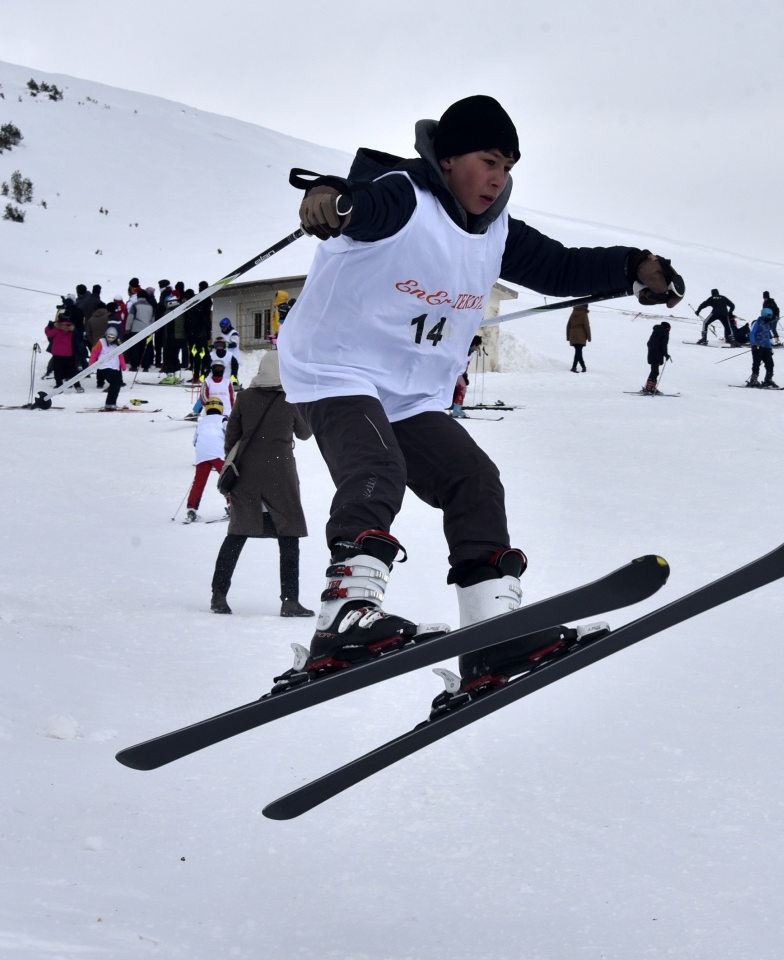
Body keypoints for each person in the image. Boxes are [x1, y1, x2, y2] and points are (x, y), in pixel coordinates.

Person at [274, 94, 684, 685]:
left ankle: (494, 632)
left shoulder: (494, 231)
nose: (498, 179)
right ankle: (343, 616)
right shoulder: (402, 197)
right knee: (376, 468)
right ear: (446, 158)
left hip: (412, 393)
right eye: (489, 161)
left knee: (474, 479)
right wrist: (329, 200)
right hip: (338, 371)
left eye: (509, 167)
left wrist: (634, 266)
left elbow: (561, 268)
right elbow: (360, 206)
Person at [209, 353, 315, 617]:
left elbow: (231, 438)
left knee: (236, 534)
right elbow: (305, 433)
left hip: (247, 475)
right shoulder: (290, 400)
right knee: (289, 537)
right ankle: (290, 601)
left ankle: (218, 595)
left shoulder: (244, 398)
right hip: (281, 475)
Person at [186, 397, 228, 522]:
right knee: (228, 479)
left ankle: (191, 510)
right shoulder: (223, 420)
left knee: (199, 482)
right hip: (218, 454)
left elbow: (194, 441)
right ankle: (232, 506)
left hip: (202, 455)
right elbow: (230, 435)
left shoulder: (201, 422)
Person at [44, 300, 83, 391]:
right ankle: (77, 386)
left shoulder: (56, 328)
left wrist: (48, 327)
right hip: (68, 352)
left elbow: (49, 334)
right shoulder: (71, 328)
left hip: (57, 352)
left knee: (58, 370)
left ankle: (59, 386)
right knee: (72, 370)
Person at [88, 323, 128, 409]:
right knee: (114, 383)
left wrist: (123, 366)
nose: (110, 339)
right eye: (109, 337)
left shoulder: (117, 344)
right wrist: (91, 364)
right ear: (106, 335)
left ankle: (111, 402)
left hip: (115, 368)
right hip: (105, 367)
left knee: (117, 384)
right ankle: (109, 403)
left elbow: (121, 355)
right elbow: (95, 353)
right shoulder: (101, 342)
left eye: (113, 338)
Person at [746, 308, 776, 387]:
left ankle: (768, 379)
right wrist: (753, 344)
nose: (770, 317)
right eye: (769, 315)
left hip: (765, 347)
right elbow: (752, 333)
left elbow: (767, 337)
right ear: (764, 315)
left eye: (771, 316)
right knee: (756, 363)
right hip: (757, 347)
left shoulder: (767, 324)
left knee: (770, 363)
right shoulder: (757, 322)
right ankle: (754, 380)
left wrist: (770, 348)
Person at [644, 321, 671, 394]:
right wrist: (666, 354)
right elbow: (663, 345)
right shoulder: (664, 333)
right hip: (657, 354)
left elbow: (649, 343)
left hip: (652, 352)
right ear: (667, 328)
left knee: (654, 371)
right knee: (655, 371)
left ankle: (649, 387)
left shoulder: (656, 331)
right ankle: (650, 388)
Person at [566, 303, 590, 372]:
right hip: (581, 335)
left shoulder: (573, 313)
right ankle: (577, 367)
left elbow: (568, 325)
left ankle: (581, 367)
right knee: (578, 351)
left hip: (572, 334)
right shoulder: (584, 314)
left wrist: (568, 336)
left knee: (578, 351)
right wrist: (589, 337)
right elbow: (586, 326)